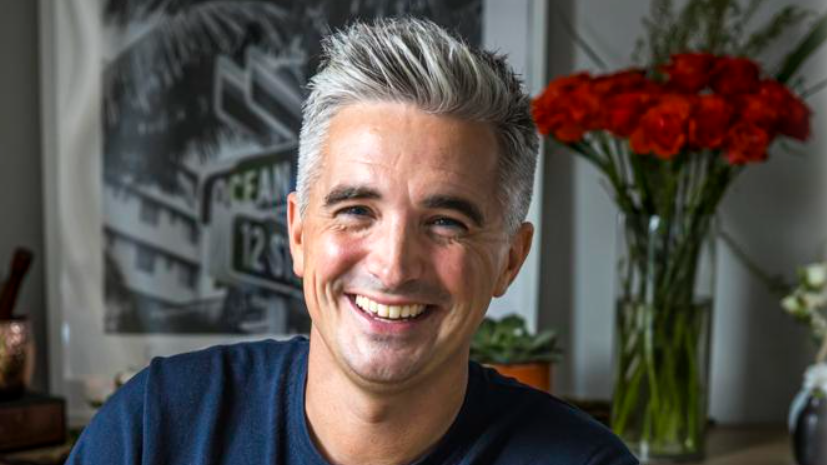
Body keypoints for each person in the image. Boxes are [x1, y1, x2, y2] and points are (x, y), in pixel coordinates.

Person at [67, 18, 638, 465]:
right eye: (356, 211)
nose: (392, 267)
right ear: (297, 231)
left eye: (445, 222)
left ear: (509, 259)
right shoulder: (153, 428)